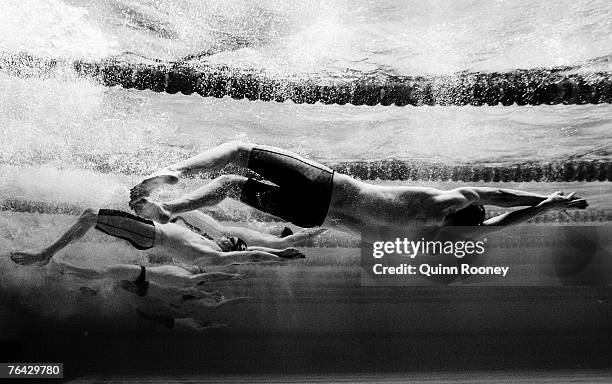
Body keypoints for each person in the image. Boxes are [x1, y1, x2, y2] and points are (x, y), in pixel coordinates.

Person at [128, 142, 589, 236]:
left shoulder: (454, 199)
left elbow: (503, 201)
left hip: (329, 187)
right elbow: (503, 221)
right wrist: (546, 207)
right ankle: (173, 210)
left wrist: (543, 198)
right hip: (316, 216)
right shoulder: (432, 228)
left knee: (238, 153)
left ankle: (173, 173)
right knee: (229, 187)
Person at [10, 208, 317, 267]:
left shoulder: (214, 257)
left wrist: (279, 256)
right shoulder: (210, 243)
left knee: (90, 216)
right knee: (90, 217)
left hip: (148, 234)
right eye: (232, 241)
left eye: (232, 244)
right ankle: (46, 254)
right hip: (148, 231)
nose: (229, 241)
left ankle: (45, 254)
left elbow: (250, 256)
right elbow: (184, 219)